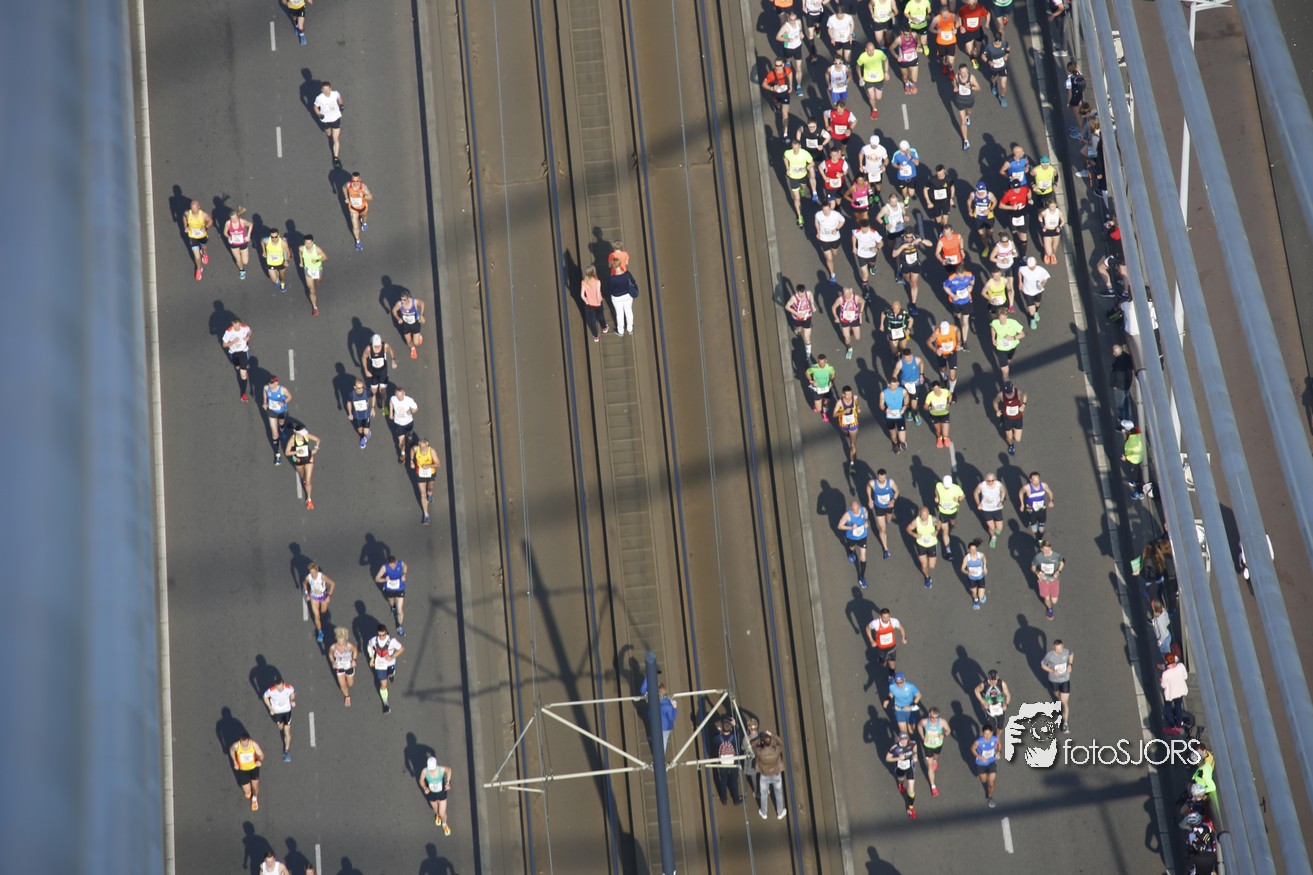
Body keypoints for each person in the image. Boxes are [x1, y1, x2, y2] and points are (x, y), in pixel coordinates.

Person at [367, 624, 404, 714]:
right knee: (383, 684)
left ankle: (391, 675)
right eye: (379, 635)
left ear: (386, 632)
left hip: (390, 663)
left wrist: (392, 656)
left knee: (391, 675)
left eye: (383, 635)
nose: (381, 637)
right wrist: (372, 657)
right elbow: (369, 645)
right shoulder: (374, 640)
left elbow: (401, 649)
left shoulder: (392, 641)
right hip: (380, 665)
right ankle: (385, 703)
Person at [890, 229, 928, 313]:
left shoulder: (916, 237)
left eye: (911, 237)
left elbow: (930, 244)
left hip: (915, 264)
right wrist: (903, 247)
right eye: (907, 237)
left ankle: (913, 304)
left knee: (914, 283)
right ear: (904, 236)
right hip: (905, 265)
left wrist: (921, 240)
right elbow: (894, 254)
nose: (909, 239)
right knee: (907, 279)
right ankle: (902, 276)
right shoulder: (899, 240)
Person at [1040, 639, 1074, 730]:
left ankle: (1065, 723)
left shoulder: (1066, 651)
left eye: (1060, 649)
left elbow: (1071, 654)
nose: (1059, 651)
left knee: (1065, 702)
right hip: (1054, 680)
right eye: (1057, 649)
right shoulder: (1049, 656)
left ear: (1063, 646)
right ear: (1053, 648)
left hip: (1065, 679)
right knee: (1057, 694)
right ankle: (1060, 699)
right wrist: (1052, 671)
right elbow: (1042, 665)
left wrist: (1070, 664)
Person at [783, 139, 818, 227]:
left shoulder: (805, 153)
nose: (795, 150)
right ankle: (799, 216)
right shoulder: (788, 153)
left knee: (803, 187)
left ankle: (802, 190)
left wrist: (806, 168)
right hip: (793, 177)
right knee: (797, 198)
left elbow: (812, 163)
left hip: (803, 176)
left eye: (796, 148)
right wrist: (787, 168)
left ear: (800, 146)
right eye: (793, 148)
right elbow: (785, 158)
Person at [285, 425, 320, 510]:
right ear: (297, 433)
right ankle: (304, 481)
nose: (304, 433)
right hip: (298, 460)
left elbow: (317, 440)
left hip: (309, 459)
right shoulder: (292, 439)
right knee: (304, 476)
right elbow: (287, 452)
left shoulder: (306, 436)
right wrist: (297, 451)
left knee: (308, 481)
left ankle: (309, 499)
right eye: (302, 432)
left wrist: (316, 449)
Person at [262, 675, 297, 761]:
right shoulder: (271, 690)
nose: (279, 690)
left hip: (287, 711)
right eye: (278, 688)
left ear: (283, 684)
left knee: (287, 731)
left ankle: (286, 751)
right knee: (280, 727)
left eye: (281, 688)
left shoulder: (289, 687)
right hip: (277, 713)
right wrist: (270, 708)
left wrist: (292, 700)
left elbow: (293, 693)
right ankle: (282, 727)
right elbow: (265, 697)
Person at [886, 731, 919, 818]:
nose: (904, 741)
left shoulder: (912, 743)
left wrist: (915, 755)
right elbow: (887, 758)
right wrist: (898, 758)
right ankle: (900, 784)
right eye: (902, 739)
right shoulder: (895, 748)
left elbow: (915, 748)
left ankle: (911, 808)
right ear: (898, 739)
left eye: (905, 739)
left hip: (909, 768)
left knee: (911, 789)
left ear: (908, 738)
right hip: (900, 767)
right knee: (901, 778)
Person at [608, 241, 639, 336]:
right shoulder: (627, 274)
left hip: (617, 297)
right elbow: (633, 282)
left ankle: (620, 331)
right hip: (627, 295)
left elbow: (611, 288)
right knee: (629, 311)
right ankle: (630, 329)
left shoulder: (612, 278)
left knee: (619, 314)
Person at [838, 499, 871, 588]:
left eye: (857, 510)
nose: (857, 513)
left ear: (859, 506)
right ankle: (851, 553)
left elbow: (866, 513)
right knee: (851, 547)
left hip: (862, 536)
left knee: (863, 556)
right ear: (850, 508)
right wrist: (850, 527)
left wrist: (866, 521)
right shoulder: (847, 515)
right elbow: (839, 526)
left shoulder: (863, 510)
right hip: (851, 537)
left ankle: (862, 577)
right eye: (854, 511)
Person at [362, 333, 398, 413]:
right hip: (373, 372)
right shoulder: (369, 349)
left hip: (383, 372)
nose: (377, 347)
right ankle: (373, 408)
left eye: (378, 345)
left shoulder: (385, 346)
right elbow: (364, 357)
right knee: (373, 391)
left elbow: (391, 350)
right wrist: (366, 370)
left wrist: (393, 360)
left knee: (383, 391)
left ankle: (384, 405)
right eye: (376, 346)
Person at [754, 729, 787, 819]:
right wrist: (772, 734)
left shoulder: (760, 752)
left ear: (763, 742)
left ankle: (764, 813)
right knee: (778, 794)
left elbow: (752, 745)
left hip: (764, 775)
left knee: (764, 795)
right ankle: (780, 813)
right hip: (776, 774)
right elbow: (781, 742)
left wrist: (760, 739)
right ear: (771, 741)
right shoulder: (776, 750)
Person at [918, 706, 950, 796]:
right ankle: (933, 786)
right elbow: (919, 726)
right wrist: (923, 737)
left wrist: (944, 735)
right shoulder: (924, 722)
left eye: (937, 717)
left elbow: (948, 730)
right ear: (929, 715)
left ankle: (935, 760)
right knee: (930, 765)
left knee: (936, 756)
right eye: (932, 717)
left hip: (938, 745)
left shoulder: (942, 722)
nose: (934, 719)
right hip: (928, 746)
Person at [641, 677, 679, 751]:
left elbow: (642, 690)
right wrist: (675, 708)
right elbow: (672, 718)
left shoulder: (652, 698)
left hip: (654, 724)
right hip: (665, 727)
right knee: (663, 744)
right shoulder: (669, 705)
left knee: (657, 740)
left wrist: (647, 677)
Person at [710, 719, 743, 804]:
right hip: (733, 762)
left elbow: (713, 738)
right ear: (730, 729)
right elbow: (739, 735)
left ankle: (724, 799)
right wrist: (735, 725)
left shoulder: (718, 738)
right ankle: (736, 799)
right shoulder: (734, 738)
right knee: (734, 781)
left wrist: (718, 730)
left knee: (723, 781)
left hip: (723, 763)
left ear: (722, 728)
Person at [866, 607, 906, 676]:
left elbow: (901, 628)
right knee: (883, 664)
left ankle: (891, 676)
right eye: (884, 617)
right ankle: (882, 660)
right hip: (881, 648)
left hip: (892, 646)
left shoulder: (894, 621)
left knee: (892, 665)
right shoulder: (876, 623)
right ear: (880, 616)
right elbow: (867, 628)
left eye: (888, 617)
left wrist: (903, 637)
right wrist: (871, 640)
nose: (886, 619)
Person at [374, 554, 408, 636]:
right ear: (388, 563)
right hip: (389, 590)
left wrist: (404, 574)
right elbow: (377, 579)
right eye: (390, 565)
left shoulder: (400, 563)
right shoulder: (384, 567)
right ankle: (393, 608)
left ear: (396, 562)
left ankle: (399, 626)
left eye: (393, 565)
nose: (392, 567)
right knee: (391, 602)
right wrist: (384, 579)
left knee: (400, 611)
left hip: (399, 589)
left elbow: (405, 565)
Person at [229, 732, 265, 811]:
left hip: (254, 768)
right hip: (243, 770)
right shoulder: (236, 746)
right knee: (247, 791)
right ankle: (249, 791)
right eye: (242, 743)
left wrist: (260, 761)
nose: (244, 745)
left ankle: (254, 799)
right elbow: (231, 750)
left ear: (249, 740)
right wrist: (235, 761)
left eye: (245, 743)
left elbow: (261, 755)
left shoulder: (254, 745)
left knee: (255, 786)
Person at [942, 266, 975, 350]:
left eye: (963, 276)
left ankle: (964, 341)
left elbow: (972, 280)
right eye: (960, 276)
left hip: (967, 300)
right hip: (956, 301)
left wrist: (971, 286)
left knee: (965, 321)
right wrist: (952, 295)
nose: (961, 278)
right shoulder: (951, 278)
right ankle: (957, 314)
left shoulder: (968, 274)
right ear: (956, 273)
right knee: (958, 314)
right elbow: (945, 286)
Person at [261, 375, 292, 463]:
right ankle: (277, 455)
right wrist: (265, 402)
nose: (269, 385)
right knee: (275, 435)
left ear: (276, 383)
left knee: (281, 423)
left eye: (271, 383)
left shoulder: (282, 389)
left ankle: (281, 429)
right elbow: (264, 392)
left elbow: (290, 396)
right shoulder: (266, 387)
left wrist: (284, 402)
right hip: (271, 411)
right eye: (269, 383)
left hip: (281, 411)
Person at [419, 757, 454, 834]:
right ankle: (437, 815)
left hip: (441, 792)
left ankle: (444, 824)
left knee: (442, 813)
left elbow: (449, 770)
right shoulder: (425, 771)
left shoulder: (441, 769)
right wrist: (425, 787)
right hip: (432, 793)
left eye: (433, 769)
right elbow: (421, 780)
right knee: (435, 809)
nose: (431, 770)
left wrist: (448, 782)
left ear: (436, 765)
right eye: (430, 769)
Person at [221, 317, 253, 403]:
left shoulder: (244, 327)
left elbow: (250, 331)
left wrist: (248, 336)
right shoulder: (229, 331)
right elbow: (224, 345)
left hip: (243, 352)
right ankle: (240, 368)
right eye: (234, 326)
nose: (236, 328)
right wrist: (232, 342)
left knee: (243, 375)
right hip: (233, 353)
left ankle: (243, 394)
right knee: (237, 367)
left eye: (237, 326)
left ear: (240, 324)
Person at [815, 199, 847, 283]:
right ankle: (833, 275)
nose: (826, 212)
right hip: (824, 238)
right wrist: (818, 232)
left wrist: (836, 229)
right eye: (824, 210)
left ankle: (834, 251)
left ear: (830, 208)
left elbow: (843, 221)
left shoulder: (836, 215)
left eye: (827, 210)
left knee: (834, 253)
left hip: (835, 238)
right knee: (829, 258)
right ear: (822, 209)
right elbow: (816, 222)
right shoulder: (818, 215)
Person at [411, 437, 441, 526]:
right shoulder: (416, 449)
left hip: (431, 473)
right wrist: (411, 461)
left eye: (424, 447)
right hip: (420, 473)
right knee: (423, 494)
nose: (423, 448)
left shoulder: (432, 451)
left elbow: (438, 464)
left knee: (430, 488)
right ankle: (426, 515)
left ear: (427, 445)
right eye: (421, 447)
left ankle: (430, 495)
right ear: (419, 445)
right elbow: (412, 450)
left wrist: (428, 466)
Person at [996, 179, 1032, 254]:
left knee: (1023, 234)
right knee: (1014, 230)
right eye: (1015, 188)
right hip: (1013, 215)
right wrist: (1012, 207)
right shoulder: (1008, 194)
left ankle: (1023, 254)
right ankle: (1014, 231)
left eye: (1018, 187)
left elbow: (1029, 192)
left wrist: (1029, 199)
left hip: (1023, 214)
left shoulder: (1024, 189)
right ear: (1012, 187)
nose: (1017, 190)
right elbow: (1000, 205)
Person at [302, 562, 336, 643]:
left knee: (323, 614)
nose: (313, 574)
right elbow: (304, 584)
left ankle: (325, 626)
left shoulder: (322, 576)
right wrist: (307, 594)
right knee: (316, 615)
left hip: (323, 596)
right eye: (311, 572)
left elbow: (333, 584)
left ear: (317, 570)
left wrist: (329, 596)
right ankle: (320, 632)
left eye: (314, 572)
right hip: (314, 597)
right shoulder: (308, 577)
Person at [989, 309, 1025, 382]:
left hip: (1012, 347)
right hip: (1001, 349)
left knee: (1009, 359)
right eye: (1000, 318)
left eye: (1004, 318)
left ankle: (1008, 363)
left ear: (1007, 316)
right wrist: (993, 339)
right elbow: (993, 328)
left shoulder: (1013, 323)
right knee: (1005, 371)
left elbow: (1023, 334)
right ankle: (1007, 386)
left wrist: (1013, 338)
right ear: (998, 317)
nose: (1002, 320)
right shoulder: (995, 322)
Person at [855, 41, 889, 118]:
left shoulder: (879, 53)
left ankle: (871, 94)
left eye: (873, 50)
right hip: (868, 80)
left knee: (878, 97)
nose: (871, 52)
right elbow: (858, 66)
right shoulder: (862, 56)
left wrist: (886, 72)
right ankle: (874, 109)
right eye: (869, 50)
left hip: (879, 79)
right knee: (871, 97)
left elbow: (886, 59)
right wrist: (860, 77)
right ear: (866, 50)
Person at [313, 81, 344, 167]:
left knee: (335, 138)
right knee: (329, 133)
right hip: (325, 120)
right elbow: (315, 107)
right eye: (324, 90)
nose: (326, 92)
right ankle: (329, 132)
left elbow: (339, 98)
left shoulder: (335, 93)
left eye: (328, 89)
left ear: (330, 89)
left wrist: (341, 105)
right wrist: (319, 114)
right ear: (322, 90)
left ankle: (336, 159)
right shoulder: (319, 98)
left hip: (335, 118)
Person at [935, 474, 966, 559]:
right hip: (943, 511)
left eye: (948, 487)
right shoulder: (939, 486)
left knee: (952, 522)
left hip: (953, 510)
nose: (946, 488)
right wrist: (937, 498)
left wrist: (959, 499)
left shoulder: (956, 488)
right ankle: (948, 551)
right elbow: (936, 491)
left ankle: (951, 527)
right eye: (945, 487)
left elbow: (963, 496)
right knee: (945, 531)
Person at [1032, 540, 1065, 620]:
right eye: (1045, 550)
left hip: (1053, 579)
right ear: (1041, 549)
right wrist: (1037, 572)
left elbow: (1062, 562)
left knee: (1054, 601)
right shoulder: (1038, 557)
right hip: (1043, 579)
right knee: (1047, 598)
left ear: (1051, 547)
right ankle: (1050, 609)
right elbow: (1033, 567)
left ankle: (1051, 597)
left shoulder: (1056, 555)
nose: (1047, 551)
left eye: (1048, 549)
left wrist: (1058, 571)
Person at [850, 211, 881, 293]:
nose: (864, 230)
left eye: (866, 228)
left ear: (868, 226)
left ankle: (872, 267)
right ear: (861, 226)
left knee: (872, 264)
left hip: (872, 254)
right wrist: (854, 247)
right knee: (865, 274)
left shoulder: (874, 233)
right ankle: (866, 291)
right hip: (861, 255)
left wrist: (877, 248)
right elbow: (853, 236)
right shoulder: (857, 232)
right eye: (862, 228)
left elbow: (881, 243)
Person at [950, 63, 980, 149]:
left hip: (969, 100)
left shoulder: (971, 78)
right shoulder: (957, 76)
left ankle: (967, 116)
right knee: (963, 122)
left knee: (968, 112)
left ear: (967, 71)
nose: (964, 74)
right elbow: (954, 82)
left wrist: (970, 87)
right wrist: (955, 87)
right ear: (959, 71)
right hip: (960, 101)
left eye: (965, 72)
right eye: (962, 72)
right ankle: (966, 141)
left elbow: (978, 88)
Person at [907, 506, 939, 588]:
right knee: (924, 565)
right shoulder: (916, 521)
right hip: (921, 545)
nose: (924, 517)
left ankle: (928, 557)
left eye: (925, 515)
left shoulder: (932, 519)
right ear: (919, 514)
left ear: (928, 514)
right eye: (922, 515)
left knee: (931, 566)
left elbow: (939, 523)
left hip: (932, 544)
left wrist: (937, 531)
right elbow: (908, 529)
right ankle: (927, 578)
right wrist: (914, 534)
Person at [892, 347, 925, 425]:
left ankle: (916, 414)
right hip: (905, 385)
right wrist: (895, 382)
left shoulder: (916, 359)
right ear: (903, 356)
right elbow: (894, 374)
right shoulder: (900, 363)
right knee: (906, 401)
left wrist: (921, 374)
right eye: (905, 358)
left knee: (914, 405)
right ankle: (909, 410)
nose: (908, 360)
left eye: (909, 357)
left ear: (911, 355)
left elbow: (921, 363)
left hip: (915, 384)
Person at [973, 469, 1006, 547]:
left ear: (995, 479)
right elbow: (975, 493)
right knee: (992, 527)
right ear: (985, 479)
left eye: (992, 480)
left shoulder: (998, 484)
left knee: (999, 529)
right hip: (986, 509)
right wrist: (978, 503)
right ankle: (993, 537)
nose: (991, 482)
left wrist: (1001, 500)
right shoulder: (982, 485)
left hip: (997, 508)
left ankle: (996, 531)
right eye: (989, 481)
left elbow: (1003, 491)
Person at [182, 199, 212, 281]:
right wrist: (185, 226)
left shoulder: (203, 215)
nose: (194, 211)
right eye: (192, 209)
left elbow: (210, 221)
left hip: (202, 236)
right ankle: (199, 269)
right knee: (197, 256)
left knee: (204, 247)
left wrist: (206, 227)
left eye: (195, 209)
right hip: (193, 237)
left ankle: (204, 254)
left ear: (199, 207)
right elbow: (184, 217)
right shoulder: (188, 214)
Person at [775, 11, 806, 92]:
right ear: (788, 19)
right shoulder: (785, 27)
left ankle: (798, 86)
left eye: (794, 19)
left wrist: (801, 33)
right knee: (788, 60)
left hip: (798, 47)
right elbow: (777, 37)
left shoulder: (798, 22)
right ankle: (788, 63)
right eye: (791, 20)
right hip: (788, 48)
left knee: (798, 68)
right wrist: (787, 40)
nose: (793, 21)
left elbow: (800, 29)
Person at [579, 265, 610, 342]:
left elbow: (582, 295)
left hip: (589, 304)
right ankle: (604, 327)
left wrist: (586, 301)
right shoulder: (597, 282)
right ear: (594, 272)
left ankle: (596, 336)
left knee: (592, 320)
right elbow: (598, 294)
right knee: (601, 316)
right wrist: (599, 302)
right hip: (597, 303)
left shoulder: (584, 282)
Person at [1019, 471, 1054, 541]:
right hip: (1030, 509)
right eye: (1034, 481)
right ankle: (1036, 535)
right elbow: (1020, 493)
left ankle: (1039, 539)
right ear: (1030, 480)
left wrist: (1051, 500)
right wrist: (1022, 504)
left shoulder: (1044, 485)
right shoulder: (1027, 488)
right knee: (1034, 529)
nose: (1036, 482)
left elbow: (1050, 492)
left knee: (1041, 529)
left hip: (1042, 508)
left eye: (1037, 480)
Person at [992, 380, 1025, 454]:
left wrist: (1023, 404)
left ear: (1013, 387)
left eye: (1010, 392)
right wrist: (997, 411)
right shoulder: (1001, 395)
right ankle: (1011, 445)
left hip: (1017, 419)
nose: (1009, 394)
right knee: (1009, 437)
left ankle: (1013, 431)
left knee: (1017, 439)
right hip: (1007, 419)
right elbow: (995, 402)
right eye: (1007, 392)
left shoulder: (1017, 392)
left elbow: (1024, 395)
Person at [389, 386, 419, 465]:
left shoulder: (409, 400)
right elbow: (391, 403)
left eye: (401, 395)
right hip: (399, 423)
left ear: (404, 393)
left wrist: (411, 411)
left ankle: (410, 439)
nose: (399, 397)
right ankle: (403, 454)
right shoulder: (393, 398)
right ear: (395, 394)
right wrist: (391, 413)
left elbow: (416, 408)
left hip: (408, 422)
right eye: (397, 395)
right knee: (401, 441)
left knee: (409, 434)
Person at [762, 58, 794, 132]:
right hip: (775, 93)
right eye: (776, 65)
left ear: (783, 65)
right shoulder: (771, 74)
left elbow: (790, 73)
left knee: (785, 114)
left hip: (785, 93)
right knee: (778, 105)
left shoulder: (787, 70)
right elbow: (763, 84)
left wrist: (791, 85)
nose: (777, 67)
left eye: (779, 65)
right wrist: (772, 88)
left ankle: (785, 132)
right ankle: (777, 107)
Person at [298, 234, 327, 316]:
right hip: (308, 270)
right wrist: (301, 262)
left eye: (310, 243)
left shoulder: (317, 249)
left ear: (313, 242)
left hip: (317, 270)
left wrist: (317, 260)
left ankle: (317, 281)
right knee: (312, 290)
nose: (308, 245)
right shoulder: (301, 248)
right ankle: (315, 307)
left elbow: (325, 257)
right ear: (304, 242)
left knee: (318, 281)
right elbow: (300, 253)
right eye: (306, 243)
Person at [391, 292, 427, 358]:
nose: (402, 301)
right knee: (409, 341)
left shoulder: (414, 302)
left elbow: (422, 303)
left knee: (416, 343)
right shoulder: (400, 304)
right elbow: (394, 310)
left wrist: (422, 314)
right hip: (406, 324)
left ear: (409, 298)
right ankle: (413, 349)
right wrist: (398, 318)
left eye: (404, 300)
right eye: (401, 299)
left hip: (415, 323)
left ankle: (418, 336)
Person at [1018, 256, 1050, 329]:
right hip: (1028, 291)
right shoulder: (1023, 269)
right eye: (1030, 267)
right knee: (1031, 309)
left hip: (1038, 290)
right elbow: (1019, 272)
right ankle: (1032, 319)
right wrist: (1020, 282)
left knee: (1037, 304)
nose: (1031, 268)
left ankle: (1036, 312)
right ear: (1027, 265)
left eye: (1033, 267)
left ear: (1036, 263)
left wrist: (1042, 284)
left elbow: (1046, 278)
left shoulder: (1041, 270)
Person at [343, 171, 372, 250]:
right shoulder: (348, 185)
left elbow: (370, 197)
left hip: (363, 208)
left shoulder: (363, 187)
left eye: (357, 181)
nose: (355, 182)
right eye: (353, 180)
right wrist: (346, 197)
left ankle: (364, 222)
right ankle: (358, 242)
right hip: (353, 209)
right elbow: (344, 188)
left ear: (360, 179)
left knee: (364, 217)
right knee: (355, 226)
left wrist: (364, 196)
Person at [831, 285, 863, 358]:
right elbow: (833, 307)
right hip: (844, 320)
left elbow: (863, 302)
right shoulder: (840, 299)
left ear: (851, 293)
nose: (846, 296)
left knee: (857, 338)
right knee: (847, 338)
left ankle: (851, 333)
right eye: (844, 294)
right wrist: (836, 317)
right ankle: (849, 348)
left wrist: (860, 314)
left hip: (854, 320)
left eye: (848, 294)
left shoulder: (856, 298)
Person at [329, 626, 358, 706]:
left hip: (348, 666)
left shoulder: (349, 645)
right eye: (339, 641)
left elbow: (355, 650)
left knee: (350, 684)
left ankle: (347, 679)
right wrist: (333, 662)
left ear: (345, 640)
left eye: (342, 641)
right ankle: (347, 696)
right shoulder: (334, 647)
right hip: (339, 666)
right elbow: (330, 654)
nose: (340, 644)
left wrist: (354, 660)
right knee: (342, 684)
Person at [1161, 652, 1189, 735]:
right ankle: (1178, 725)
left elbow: (1163, 685)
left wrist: (1161, 680)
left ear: (1166, 662)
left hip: (1170, 693)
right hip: (1180, 691)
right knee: (1178, 707)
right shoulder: (1181, 666)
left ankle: (1172, 726)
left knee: (1168, 707)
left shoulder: (1166, 674)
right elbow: (1185, 677)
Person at [879, 378, 909, 456]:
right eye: (892, 386)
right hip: (889, 417)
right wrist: (885, 409)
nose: (894, 387)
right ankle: (895, 444)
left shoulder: (903, 391)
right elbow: (881, 405)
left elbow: (906, 397)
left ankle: (901, 442)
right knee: (893, 435)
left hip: (899, 415)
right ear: (889, 385)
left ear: (898, 384)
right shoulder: (883, 393)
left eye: (896, 385)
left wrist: (904, 407)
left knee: (902, 439)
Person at [972, 724, 999, 807]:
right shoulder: (978, 742)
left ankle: (989, 796)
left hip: (991, 762)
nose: (987, 736)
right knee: (984, 781)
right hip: (981, 764)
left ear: (991, 733)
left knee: (991, 783)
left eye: (989, 734)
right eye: (985, 734)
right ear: (983, 733)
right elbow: (972, 749)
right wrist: (979, 757)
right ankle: (985, 782)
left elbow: (999, 744)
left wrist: (999, 752)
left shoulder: (995, 739)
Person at [786, 284, 817, 360]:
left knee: (807, 338)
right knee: (798, 329)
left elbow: (811, 295)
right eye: (801, 293)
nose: (802, 295)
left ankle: (808, 356)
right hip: (797, 318)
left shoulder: (808, 293)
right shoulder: (794, 298)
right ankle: (797, 330)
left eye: (803, 293)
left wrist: (812, 305)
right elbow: (787, 306)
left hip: (807, 318)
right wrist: (797, 313)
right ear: (797, 292)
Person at [929, 0, 959, 77]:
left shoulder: (953, 16)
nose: (945, 16)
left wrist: (955, 28)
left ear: (948, 12)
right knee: (944, 57)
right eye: (943, 15)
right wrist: (937, 31)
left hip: (951, 42)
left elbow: (958, 21)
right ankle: (945, 65)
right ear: (940, 13)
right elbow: (930, 28)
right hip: (941, 42)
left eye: (946, 14)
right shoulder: (936, 19)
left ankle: (951, 71)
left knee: (951, 60)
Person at [835, 385, 861, 472]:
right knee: (847, 436)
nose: (849, 396)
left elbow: (856, 403)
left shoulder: (854, 397)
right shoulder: (839, 403)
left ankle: (852, 463)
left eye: (850, 394)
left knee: (852, 444)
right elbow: (834, 414)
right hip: (844, 425)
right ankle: (851, 439)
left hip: (854, 424)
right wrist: (843, 412)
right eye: (847, 394)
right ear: (843, 395)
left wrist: (858, 408)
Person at [968, 181, 998, 256]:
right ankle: (986, 247)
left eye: (983, 191)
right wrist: (969, 209)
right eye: (980, 191)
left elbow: (995, 201)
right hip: (978, 217)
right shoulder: (973, 195)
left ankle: (990, 238)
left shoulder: (989, 195)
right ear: (976, 190)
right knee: (982, 235)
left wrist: (989, 210)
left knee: (990, 232)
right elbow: (969, 201)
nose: (981, 193)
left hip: (989, 217)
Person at [922, 164, 956, 230]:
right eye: (938, 174)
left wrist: (951, 198)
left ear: (944, 171)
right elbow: (925, 189)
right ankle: (941, 224)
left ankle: (943, 232)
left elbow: (952, 187)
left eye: (941, 173)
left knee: (945, 219)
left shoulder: (948, 179)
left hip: (946, 201)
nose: (940, 175)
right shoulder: (932, 180)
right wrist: (928, 202)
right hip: (936, 202)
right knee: (938, 220)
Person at [981, 32, 1010, 105]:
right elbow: (983, 56)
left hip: (1003, 66)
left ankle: (1002, 97)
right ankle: (994, 85)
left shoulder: (1005, 44)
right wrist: (989, 62)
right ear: (993, 39)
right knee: (993, 79)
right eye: (996, 42)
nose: (998, 43)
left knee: (1003, 86)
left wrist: (1007, 55)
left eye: (999, 42)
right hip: (994, 68)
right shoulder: (989, 47)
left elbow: (1008, 47)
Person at [1109, 342, 1135, 424]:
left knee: (1120, 405)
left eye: (1114, 352)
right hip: (1126, 385)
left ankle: (1122, 420)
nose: (1113, 354)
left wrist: (1114, 384)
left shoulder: (1119, 364)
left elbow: (1118, 377)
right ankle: (1127, 419)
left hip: (1120, 387)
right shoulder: (1126, 356)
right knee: (1126, 404)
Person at [223, 207, 253, 278]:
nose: (233, 220)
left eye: (235, 218)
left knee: (245, 261)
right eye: (232, 219)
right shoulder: (228, 223)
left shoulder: (242, 221)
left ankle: (240, 210)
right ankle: (242, 271)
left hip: (243, 243)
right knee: (238, 260)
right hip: (234, 244)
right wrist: (229, 237)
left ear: (238, 217)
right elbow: (225, 232)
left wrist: (248, 235)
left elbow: (251, 225)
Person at [957, 0, 989, 64]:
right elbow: (959, 15)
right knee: (969, 51)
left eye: (973, 3)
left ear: (976, 2)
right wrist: (961, 26)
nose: (972, 5)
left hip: (978, 31)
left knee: (977, 50)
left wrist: (987, 23)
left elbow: (988, 14)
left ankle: (974, 57)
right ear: (967, 2)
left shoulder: (980, 8)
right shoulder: (963, 9)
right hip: (968, 31)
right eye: (970, 3)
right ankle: (971, 56)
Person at [345, 377, 374, 449]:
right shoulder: (351, 395)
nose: (361, 389)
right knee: (360, 431)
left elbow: (373, 396)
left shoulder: (367, 392)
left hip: (366, 414)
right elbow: (349, 403)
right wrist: (350, 413)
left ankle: (365, 436)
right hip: (357, 416)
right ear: (355, 387)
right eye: (359, 388)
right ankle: (362, 437)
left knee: (366, 432)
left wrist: (373, 408)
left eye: (362, 387)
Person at [892, 25, 921, 94]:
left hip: (913, 60)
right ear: (902, 33)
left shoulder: (914, 35)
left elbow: (918, 41)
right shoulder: (899, 40)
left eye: (909, 34)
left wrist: (918, 46)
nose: (907, 36)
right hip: (903, 61)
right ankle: (907, 84)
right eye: (905, 34)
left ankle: (912, 84)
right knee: (905, 77)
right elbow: (891, 48)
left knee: (914, 79)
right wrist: (896, 56)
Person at [805, 353, 836, 419]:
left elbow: (833, 374)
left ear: (826, 361)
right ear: (817, 361)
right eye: (820, 362)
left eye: (823, 362)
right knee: (818, 409)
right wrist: (811, 381)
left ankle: (824, 413)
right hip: (817, 389)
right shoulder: (814, 367)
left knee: (826, 403)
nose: (822, 364)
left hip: (826, 388)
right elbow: (807, 373)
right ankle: (815, 405)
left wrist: (831, 381)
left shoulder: (829, 367)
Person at [924, 380, 953, 447]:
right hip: (934, 415)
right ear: (932, 389)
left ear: (940, 387)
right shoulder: (930, 395)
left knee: (945, 434)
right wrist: (930, 408)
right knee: (938, 430)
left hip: (944, 414)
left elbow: (950, 395)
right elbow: (925, 406)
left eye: (937, 388)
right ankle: (939, 438)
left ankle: (945, 438)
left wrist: (949, 402)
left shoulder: (945, 391)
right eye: (935, 389)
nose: (936, 390)